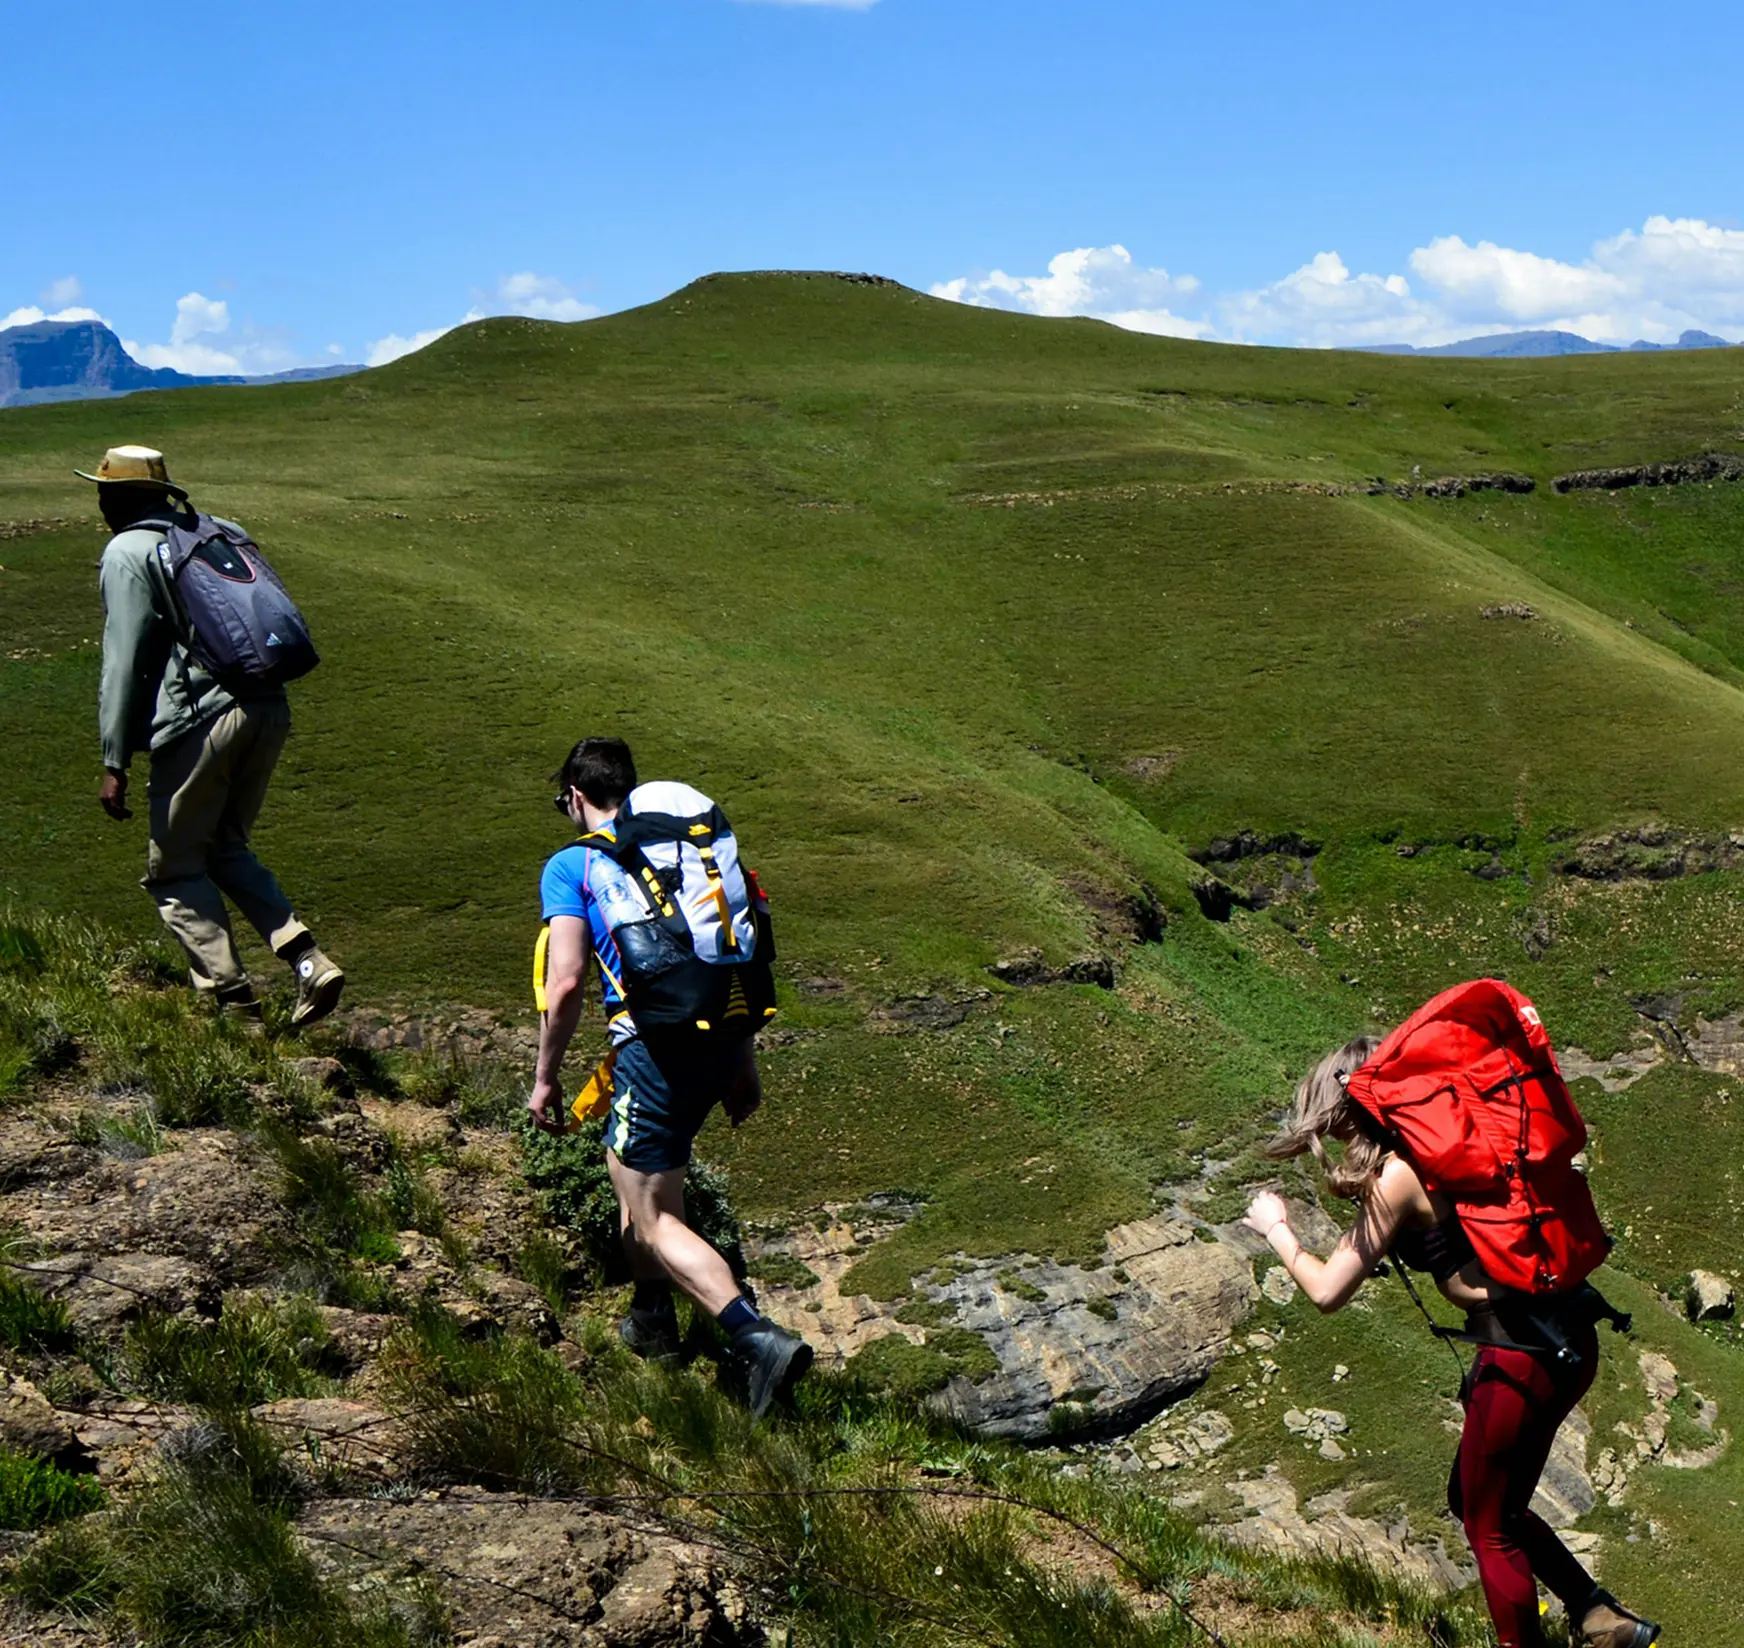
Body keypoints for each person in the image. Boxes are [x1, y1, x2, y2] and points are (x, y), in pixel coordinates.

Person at [1243, 1038, 1660, 1648]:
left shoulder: (1398, 1176)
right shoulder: (1451, 1147)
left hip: (1522, 1354)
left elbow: (1327, 1290)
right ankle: (1602, 1619)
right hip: (1566, 1337)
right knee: (1478, 1500)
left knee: (1490, 1526)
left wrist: (1277, 1230)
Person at [527, 735, 811, 1418]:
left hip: (655, 1049)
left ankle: (755, 1341)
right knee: (634, 1174)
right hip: (716, 1041)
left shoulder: (574, 865)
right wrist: (742, 1065)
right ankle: (652, 1319)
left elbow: (565, 983)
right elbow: (725, 958)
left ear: (575, 796)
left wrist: (545, 1077)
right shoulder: (682, 854)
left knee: (653, 1215)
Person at [83, 445, 343, 1027]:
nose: (99, 503)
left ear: (122, 498)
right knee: (225, 847)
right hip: (267, 707)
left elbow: (122, 659)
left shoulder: (127, 552)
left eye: (104, 491)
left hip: (201, 719)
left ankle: (235, 1005)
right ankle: (308, 961)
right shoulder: (218, 530)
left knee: (175, 870)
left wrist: (114, 759)